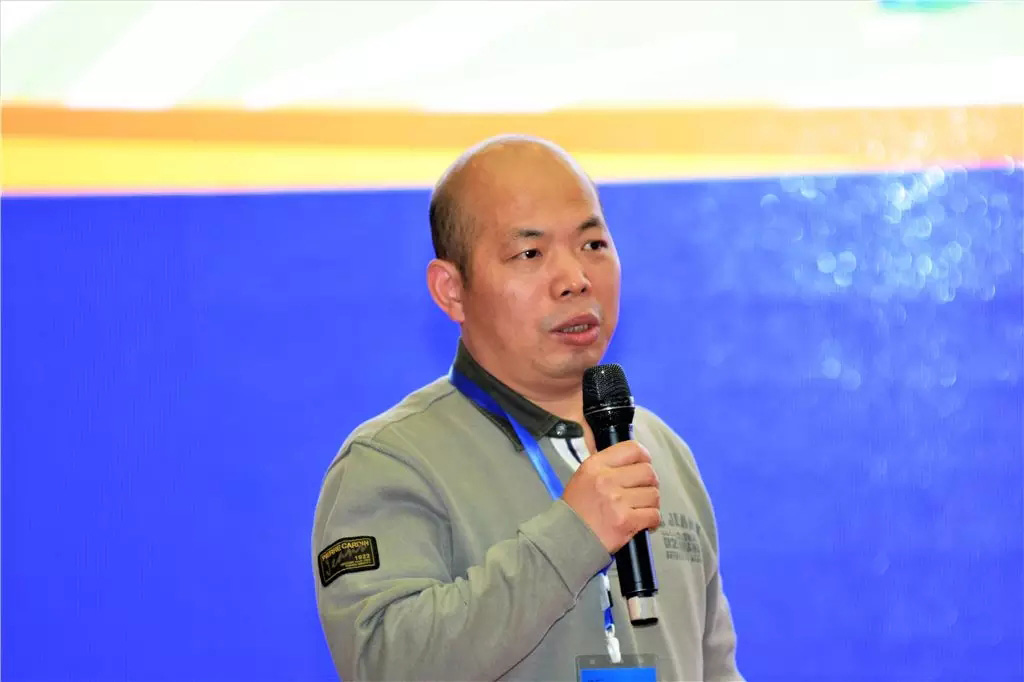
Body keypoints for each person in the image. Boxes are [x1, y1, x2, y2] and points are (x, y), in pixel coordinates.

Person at [312, 134, 743, 681]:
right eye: (530, 254)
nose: (575, 280)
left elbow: (715, 668)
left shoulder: (659, 447)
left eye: (593, 244)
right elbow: (384, 664)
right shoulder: (390, 461)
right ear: (451, 290)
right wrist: (574, 534)